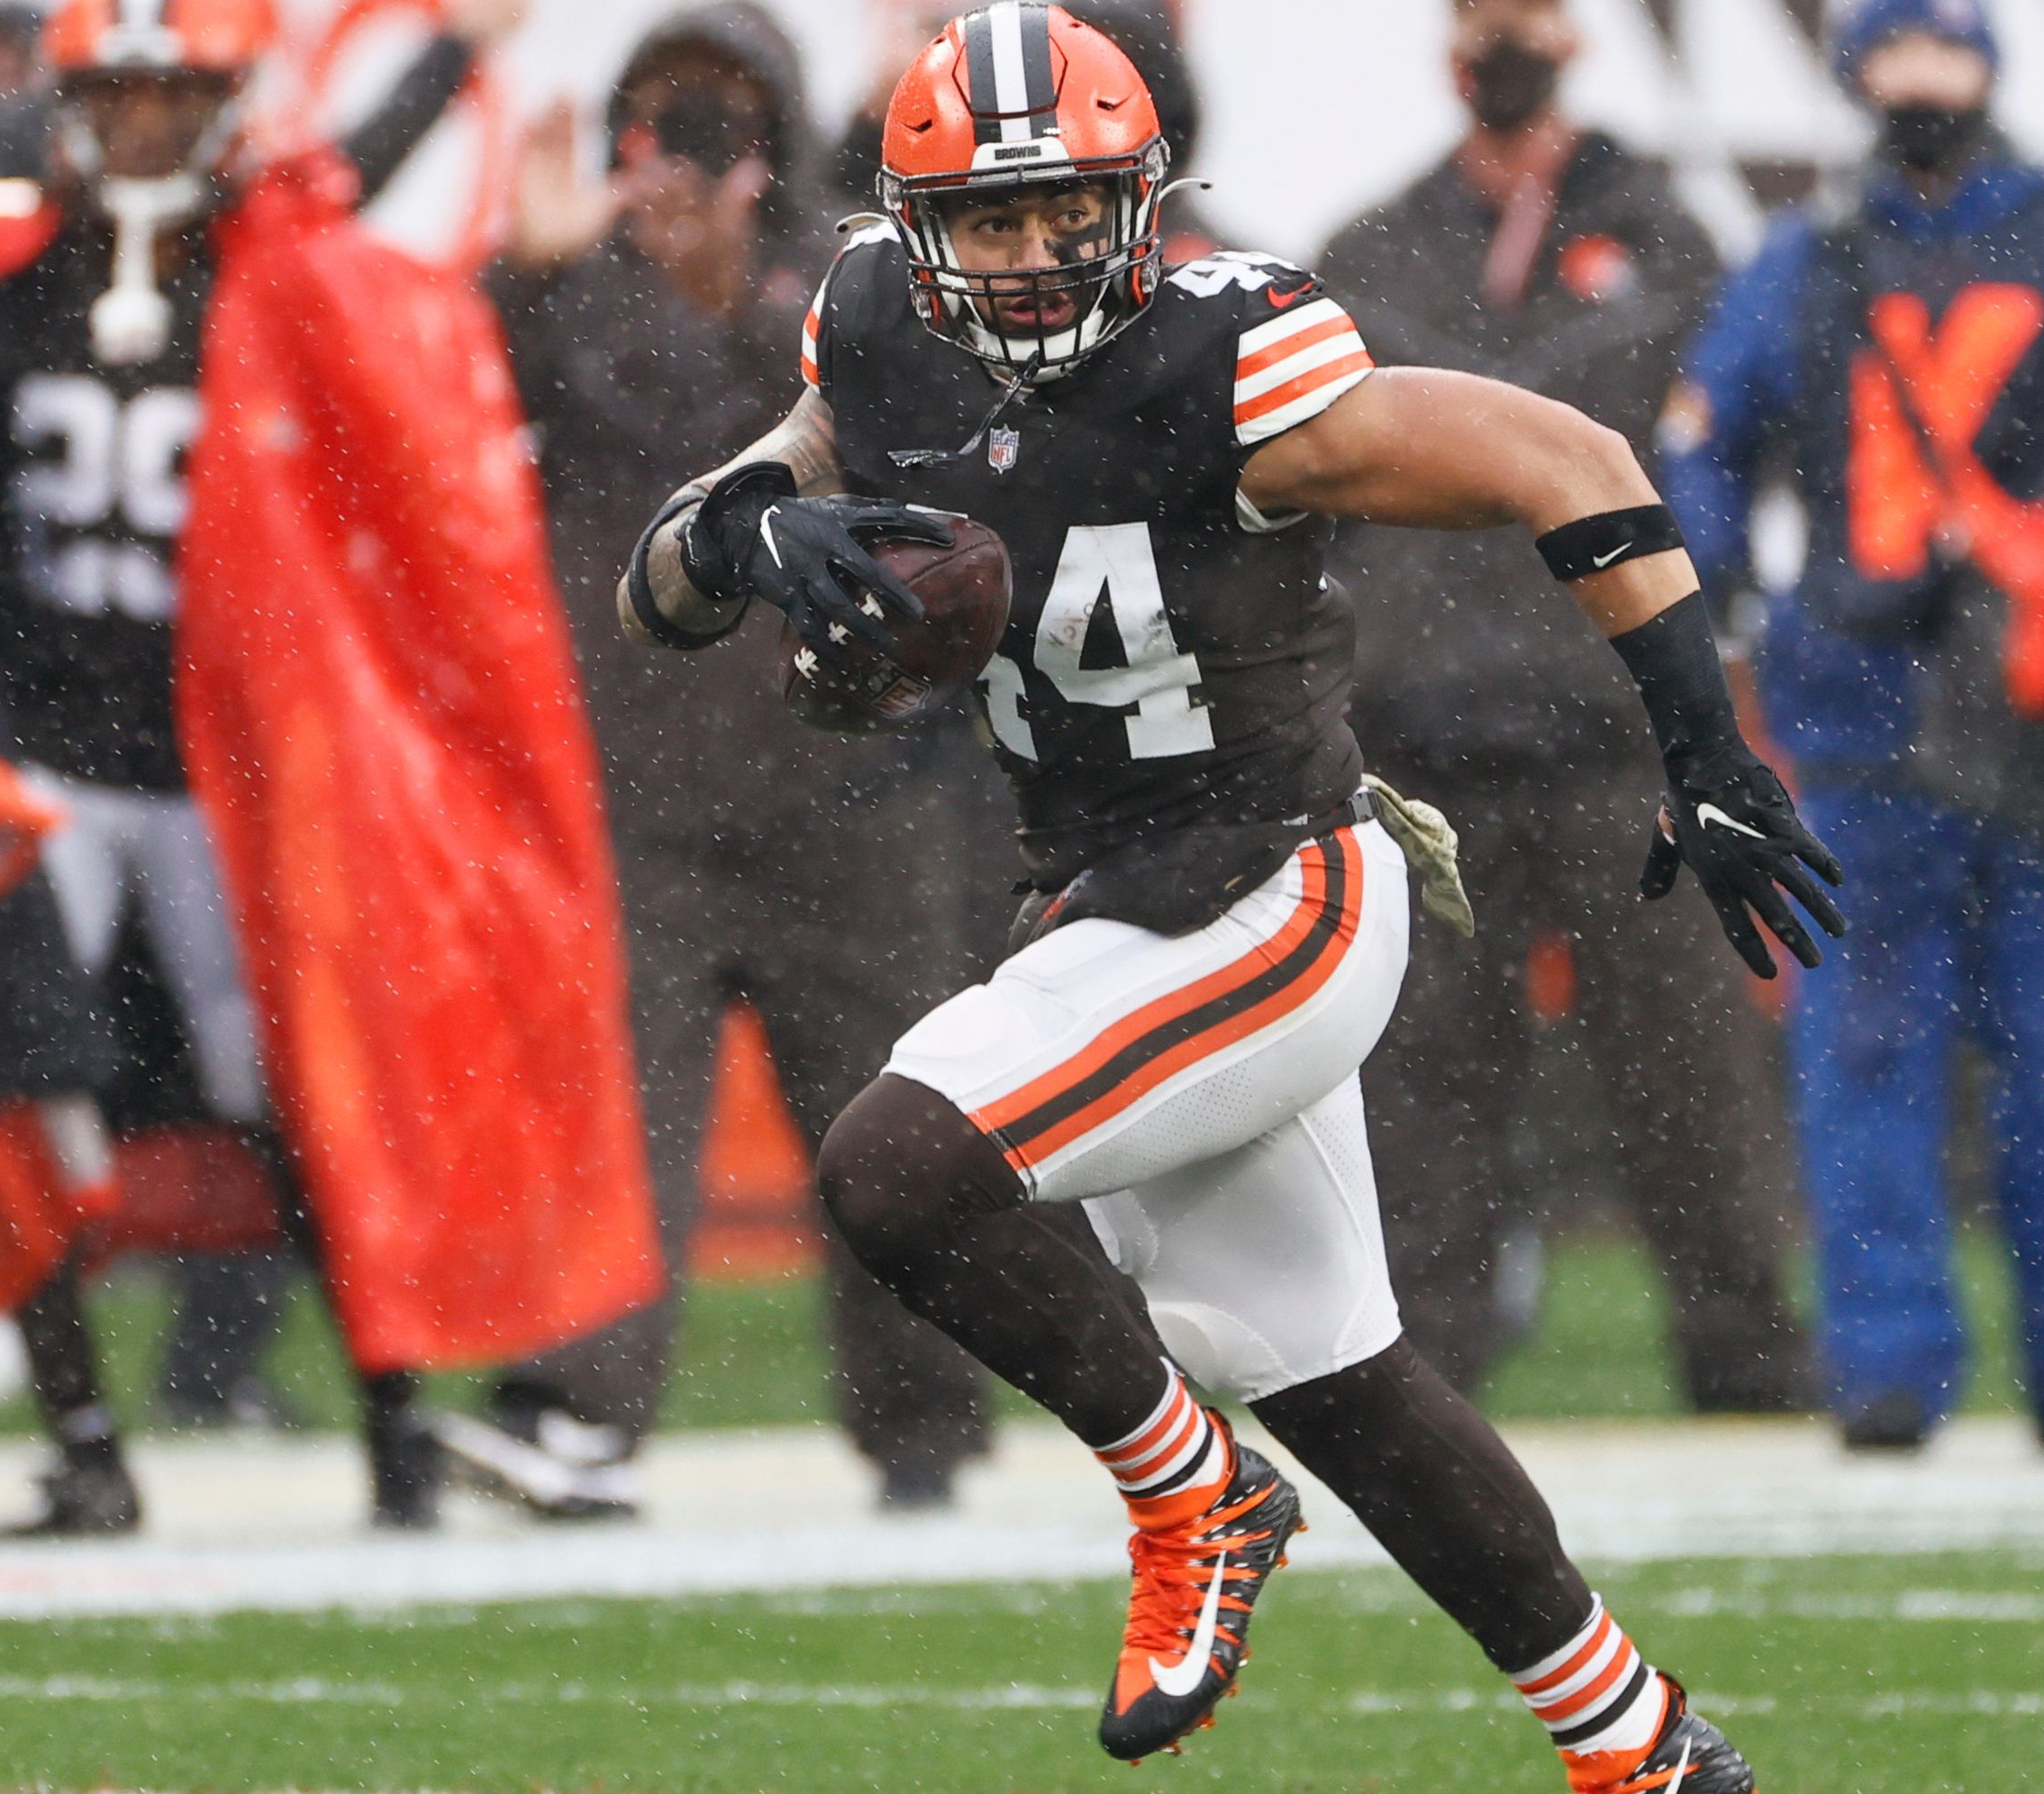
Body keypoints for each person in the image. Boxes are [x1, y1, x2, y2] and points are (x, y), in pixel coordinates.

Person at [627, 8, 1836, 1787]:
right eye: (994, 221)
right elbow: (664, 591)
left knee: (899, 1165)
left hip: (1274, 892)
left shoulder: (1230, 357)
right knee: (1343, 1382)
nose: (1038, 258)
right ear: (912, 228)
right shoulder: (875, 331)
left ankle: (1188, 1491)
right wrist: (748, 528)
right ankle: (1641, 1743)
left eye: (1073, 215)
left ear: (1142, 203)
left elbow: (1569, 462)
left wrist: (1706, 754)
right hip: (1107, 899)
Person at [0, 0, 651, 1538]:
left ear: (230, 109)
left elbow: (359, 245)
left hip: (232, 771)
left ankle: (396, 1429)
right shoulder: (8, 298)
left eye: (177, 101)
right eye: (120, 101)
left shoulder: (276, 287)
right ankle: (85, 1444)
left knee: (312, 1098)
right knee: (15, 1100)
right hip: (55, 771)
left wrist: (448, 67)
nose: (144, 136)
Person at [1663, 0, 2044, 1453]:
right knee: (1952, 1052)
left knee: (1991, 1050)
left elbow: (1699, 447)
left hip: (1952, 691)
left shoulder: (1818, 255)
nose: (1922, 80)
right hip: (1921, 699)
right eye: (1900, 51)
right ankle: (1977, 1367)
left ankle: (1989, 1366)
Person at [477, 2, 997, 1514]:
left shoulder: (851, 284)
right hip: (637, 793)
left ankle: (924, 1432)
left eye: (718, 119)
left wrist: (745, 286)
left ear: (771, 139)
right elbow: (423, 402)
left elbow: (947, 431)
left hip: (855, 785)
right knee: (618, 1124)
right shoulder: (561, 293)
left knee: (891, 1121)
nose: (689, 153)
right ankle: (584, 1417)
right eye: (664, 118)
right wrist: (528, 265)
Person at [1319, 0, 1814, 1411]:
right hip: (1422, 746)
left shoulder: (1666, 240)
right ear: (1451, 45)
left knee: (1689, 1078)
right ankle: (1424, 1381)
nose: (1504, 43)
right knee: (1420, 1091)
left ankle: (1747, 1359)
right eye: (1485, 18)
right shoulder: (1371, 251)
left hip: (1617, 736)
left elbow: (1729, 458)